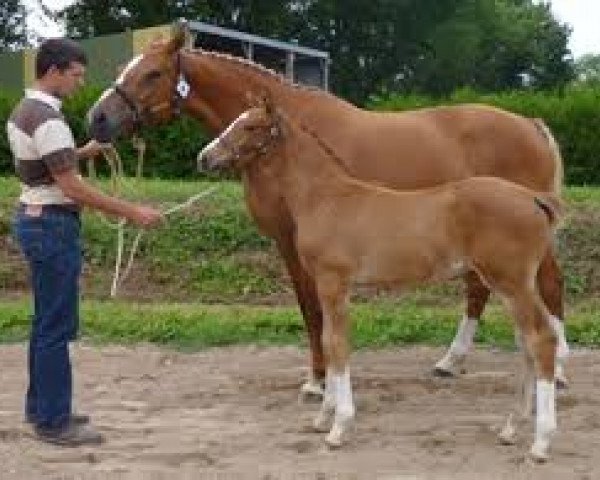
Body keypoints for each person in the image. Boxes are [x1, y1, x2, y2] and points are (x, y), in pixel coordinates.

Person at [6, 38, 164, 446]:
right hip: (52, 226)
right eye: (75, 75)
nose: (79, 84)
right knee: (57, 327)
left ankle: (43, 408)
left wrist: (86, 150)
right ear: (54, 71)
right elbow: (71, 187)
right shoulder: (49, 120)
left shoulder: (26, 111)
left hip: (36, 220)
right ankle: (55, 422)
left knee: (46, 324)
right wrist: (133, 212)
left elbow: (47, 166)